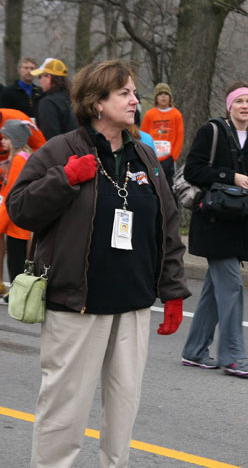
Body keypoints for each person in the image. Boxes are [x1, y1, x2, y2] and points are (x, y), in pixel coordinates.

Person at [7, 59, 189, 467]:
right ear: (96, 102)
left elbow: (168, 225)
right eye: (123, 93)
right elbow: (19, 209)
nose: (133, 100)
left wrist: (172, 291)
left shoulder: (143, 154)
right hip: (77, 304)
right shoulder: (61, 150)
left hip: (133, 304)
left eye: (133, 92)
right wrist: (65, 179)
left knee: (123, 410)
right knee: (64, 411)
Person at [181, 82, 248, 377]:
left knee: (214, 292)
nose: (245, 106)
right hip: (213, 223)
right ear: (229, 105)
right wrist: (230, 176)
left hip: (240, 225)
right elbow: (192, 170)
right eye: (239, 101)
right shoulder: (212, 131)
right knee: (231, 287)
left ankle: (194, 350)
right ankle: (233, 356)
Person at [0, 120, 32, 303]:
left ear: (15, 139)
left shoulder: (18, 159)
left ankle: (17, 294)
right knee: (20, 258)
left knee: (16, 259)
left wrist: (1, 223)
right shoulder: (26, 156)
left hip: (15, 220)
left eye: (6, 138)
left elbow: (11, 193)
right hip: (22, 216)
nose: (3, 142)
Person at [141, 82, 184, 188]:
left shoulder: (176, 115)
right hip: (153, 157)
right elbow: (143, 135)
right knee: (153, 183)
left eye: (166, 94)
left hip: (169, 158)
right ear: (156, 98)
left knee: (169, 186)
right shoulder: (150, 114)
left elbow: (180, 137)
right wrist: (146, 154)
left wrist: (173, 157)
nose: (163, 96)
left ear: (170, 98)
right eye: (160, 94)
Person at [32, 58, 78, 139]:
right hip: (79, 148)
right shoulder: (74, 98)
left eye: (40, 76)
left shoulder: (48, 102)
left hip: (59, 149)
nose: (40, 81)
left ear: (49, 78)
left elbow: (50, 135)